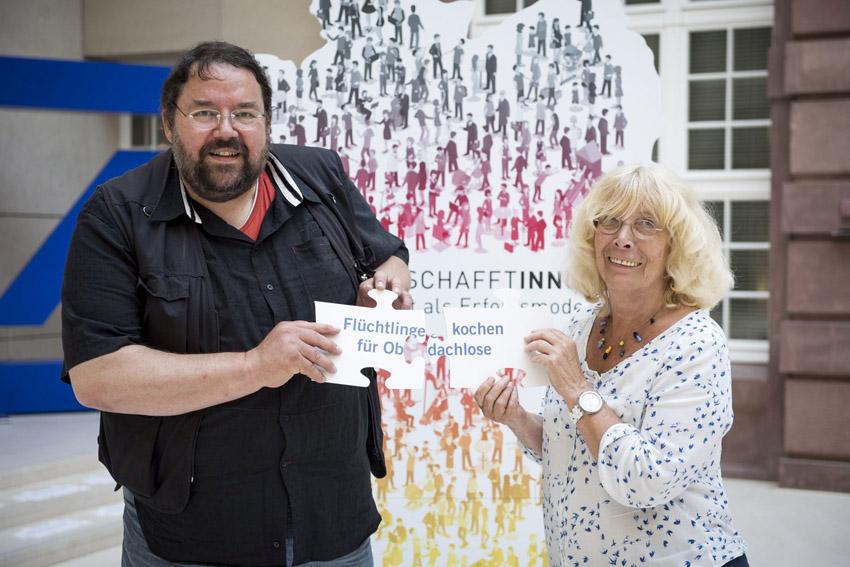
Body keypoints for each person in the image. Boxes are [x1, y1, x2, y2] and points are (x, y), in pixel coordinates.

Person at [60, 41, 412, 567]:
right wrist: (254, 366)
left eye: (244, 113)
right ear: (168, 122)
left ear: (265, 121)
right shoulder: (117, 214)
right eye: (205, 112)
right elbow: (97, 376)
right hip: (194, 534)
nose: (227, 130)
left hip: (333, 521)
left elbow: (387, 256)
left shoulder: (319, 177)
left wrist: (388, 285)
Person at [475, 164, 749, 567]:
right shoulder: (579, 327)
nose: (623, 238)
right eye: (611, 222)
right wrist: (516, 418)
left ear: (678, 245)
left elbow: (648, 481)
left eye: (646, 224)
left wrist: (577, 389)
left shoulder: (697, 344)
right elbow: (571, 453)